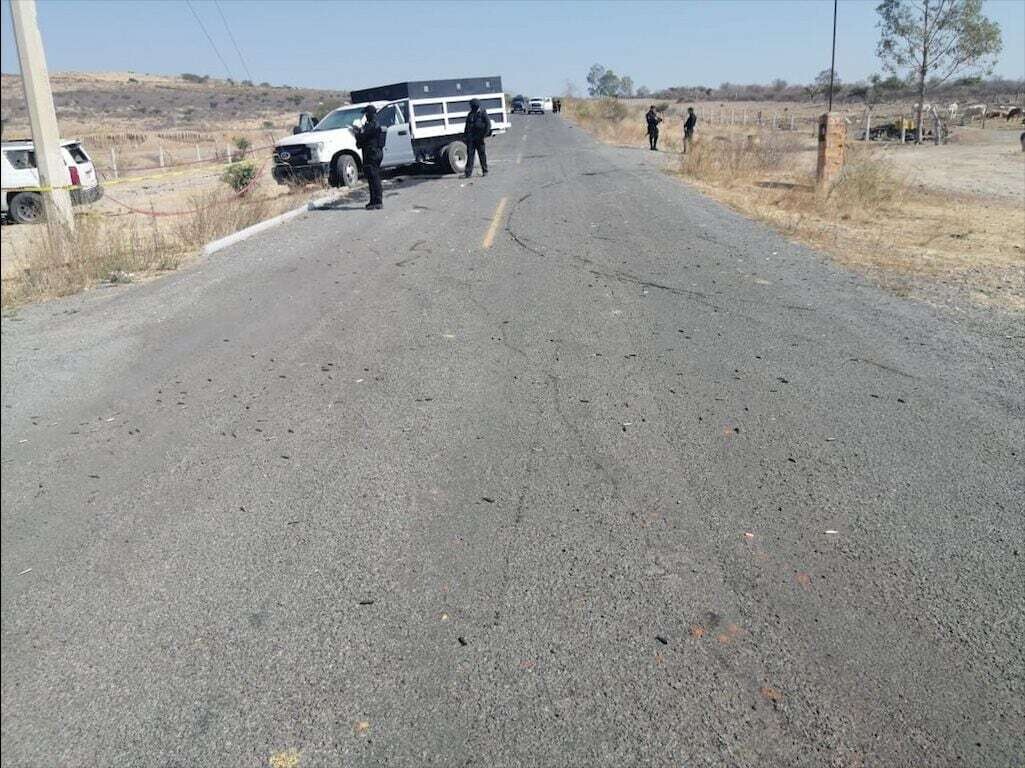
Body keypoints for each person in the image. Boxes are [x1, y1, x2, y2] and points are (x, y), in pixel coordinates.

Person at [353, 105, 386, 209]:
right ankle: (373, 201)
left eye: (366, 114)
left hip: (372, 154)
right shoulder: (373, 124)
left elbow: (362, 139)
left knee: (374, 177)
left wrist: (356, 133)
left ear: (370, 114)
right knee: (371, 178)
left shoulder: (372, 125)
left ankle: (378, 201)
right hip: (373, 153)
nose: (365, 116)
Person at [464, 98, 492, 178]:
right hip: (471, 138)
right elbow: (467, 126)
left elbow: (488, 125)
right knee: (470, 156)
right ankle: (468, 173)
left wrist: (484, 135)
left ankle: (485, 171)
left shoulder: (483, 113)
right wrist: (466, 136)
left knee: (482, 155)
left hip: (480, 138)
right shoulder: (470, 114)